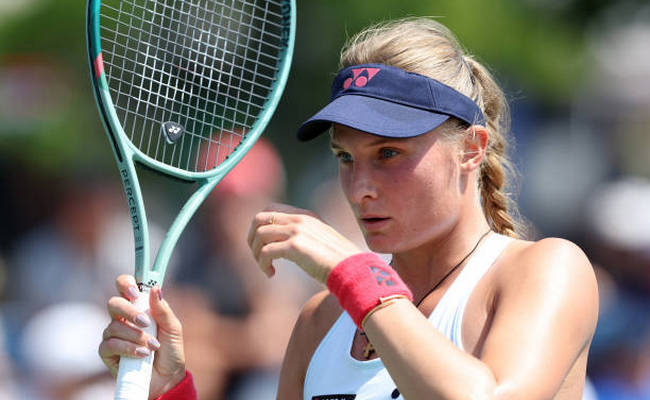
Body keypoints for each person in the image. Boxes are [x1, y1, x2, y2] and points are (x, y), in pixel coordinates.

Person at [99, 17, 599, 399]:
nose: (359, 187)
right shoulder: (322, 319)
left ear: (471, 149)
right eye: (344, 157)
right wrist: (170, 388)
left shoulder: (545, 269)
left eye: (388, 153)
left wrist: (355, 273)